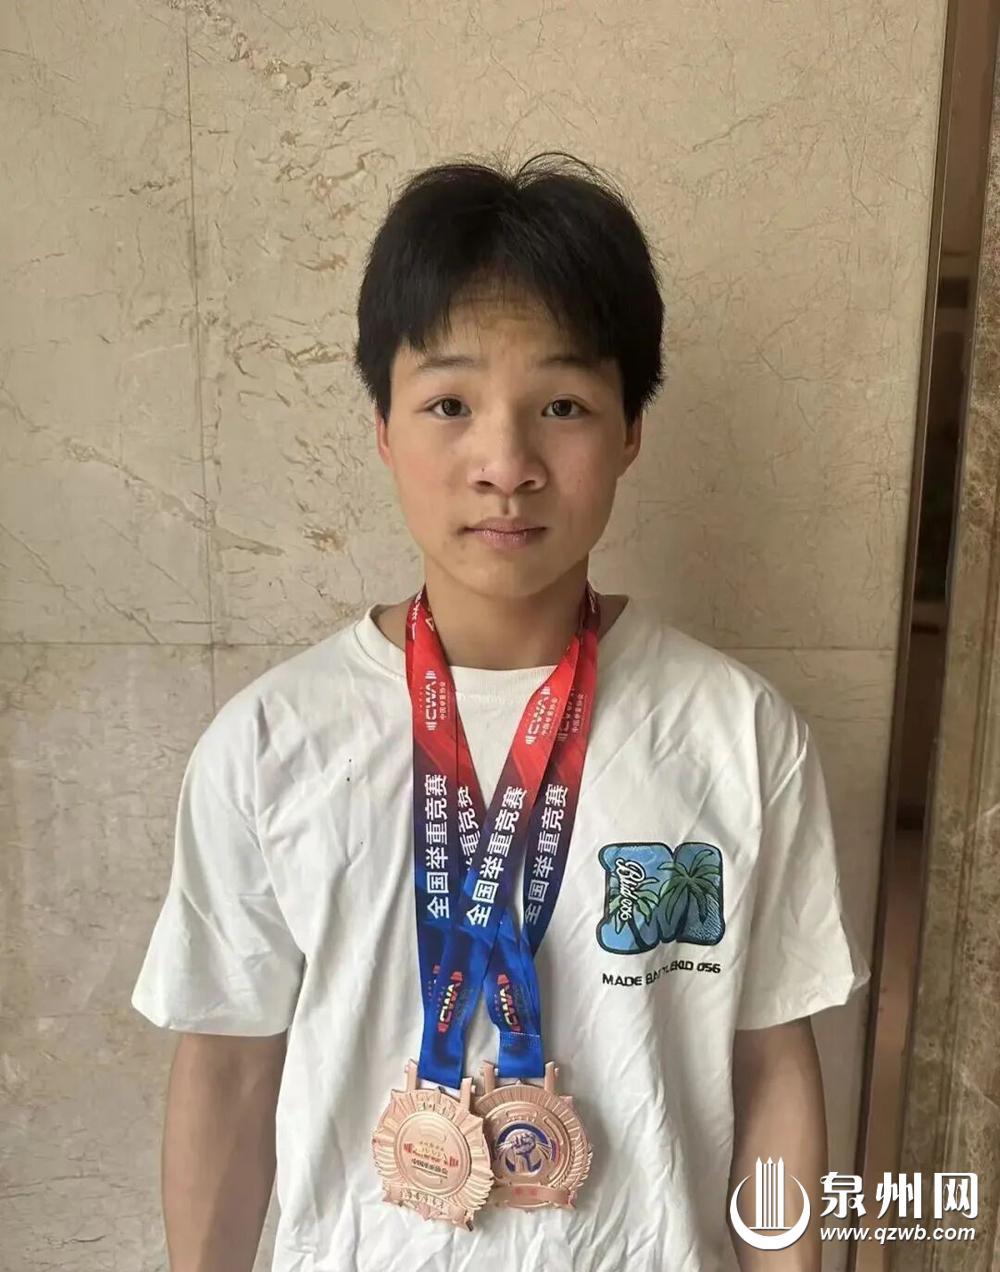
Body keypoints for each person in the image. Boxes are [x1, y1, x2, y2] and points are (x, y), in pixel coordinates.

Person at [131, 151, 869, 1272]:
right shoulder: (270, 743)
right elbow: (228, 1072)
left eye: (562, 406)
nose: (506, 463)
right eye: (450, 404)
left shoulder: (737, 733)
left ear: (630, 430)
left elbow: (771, 1067)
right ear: (384, 428)